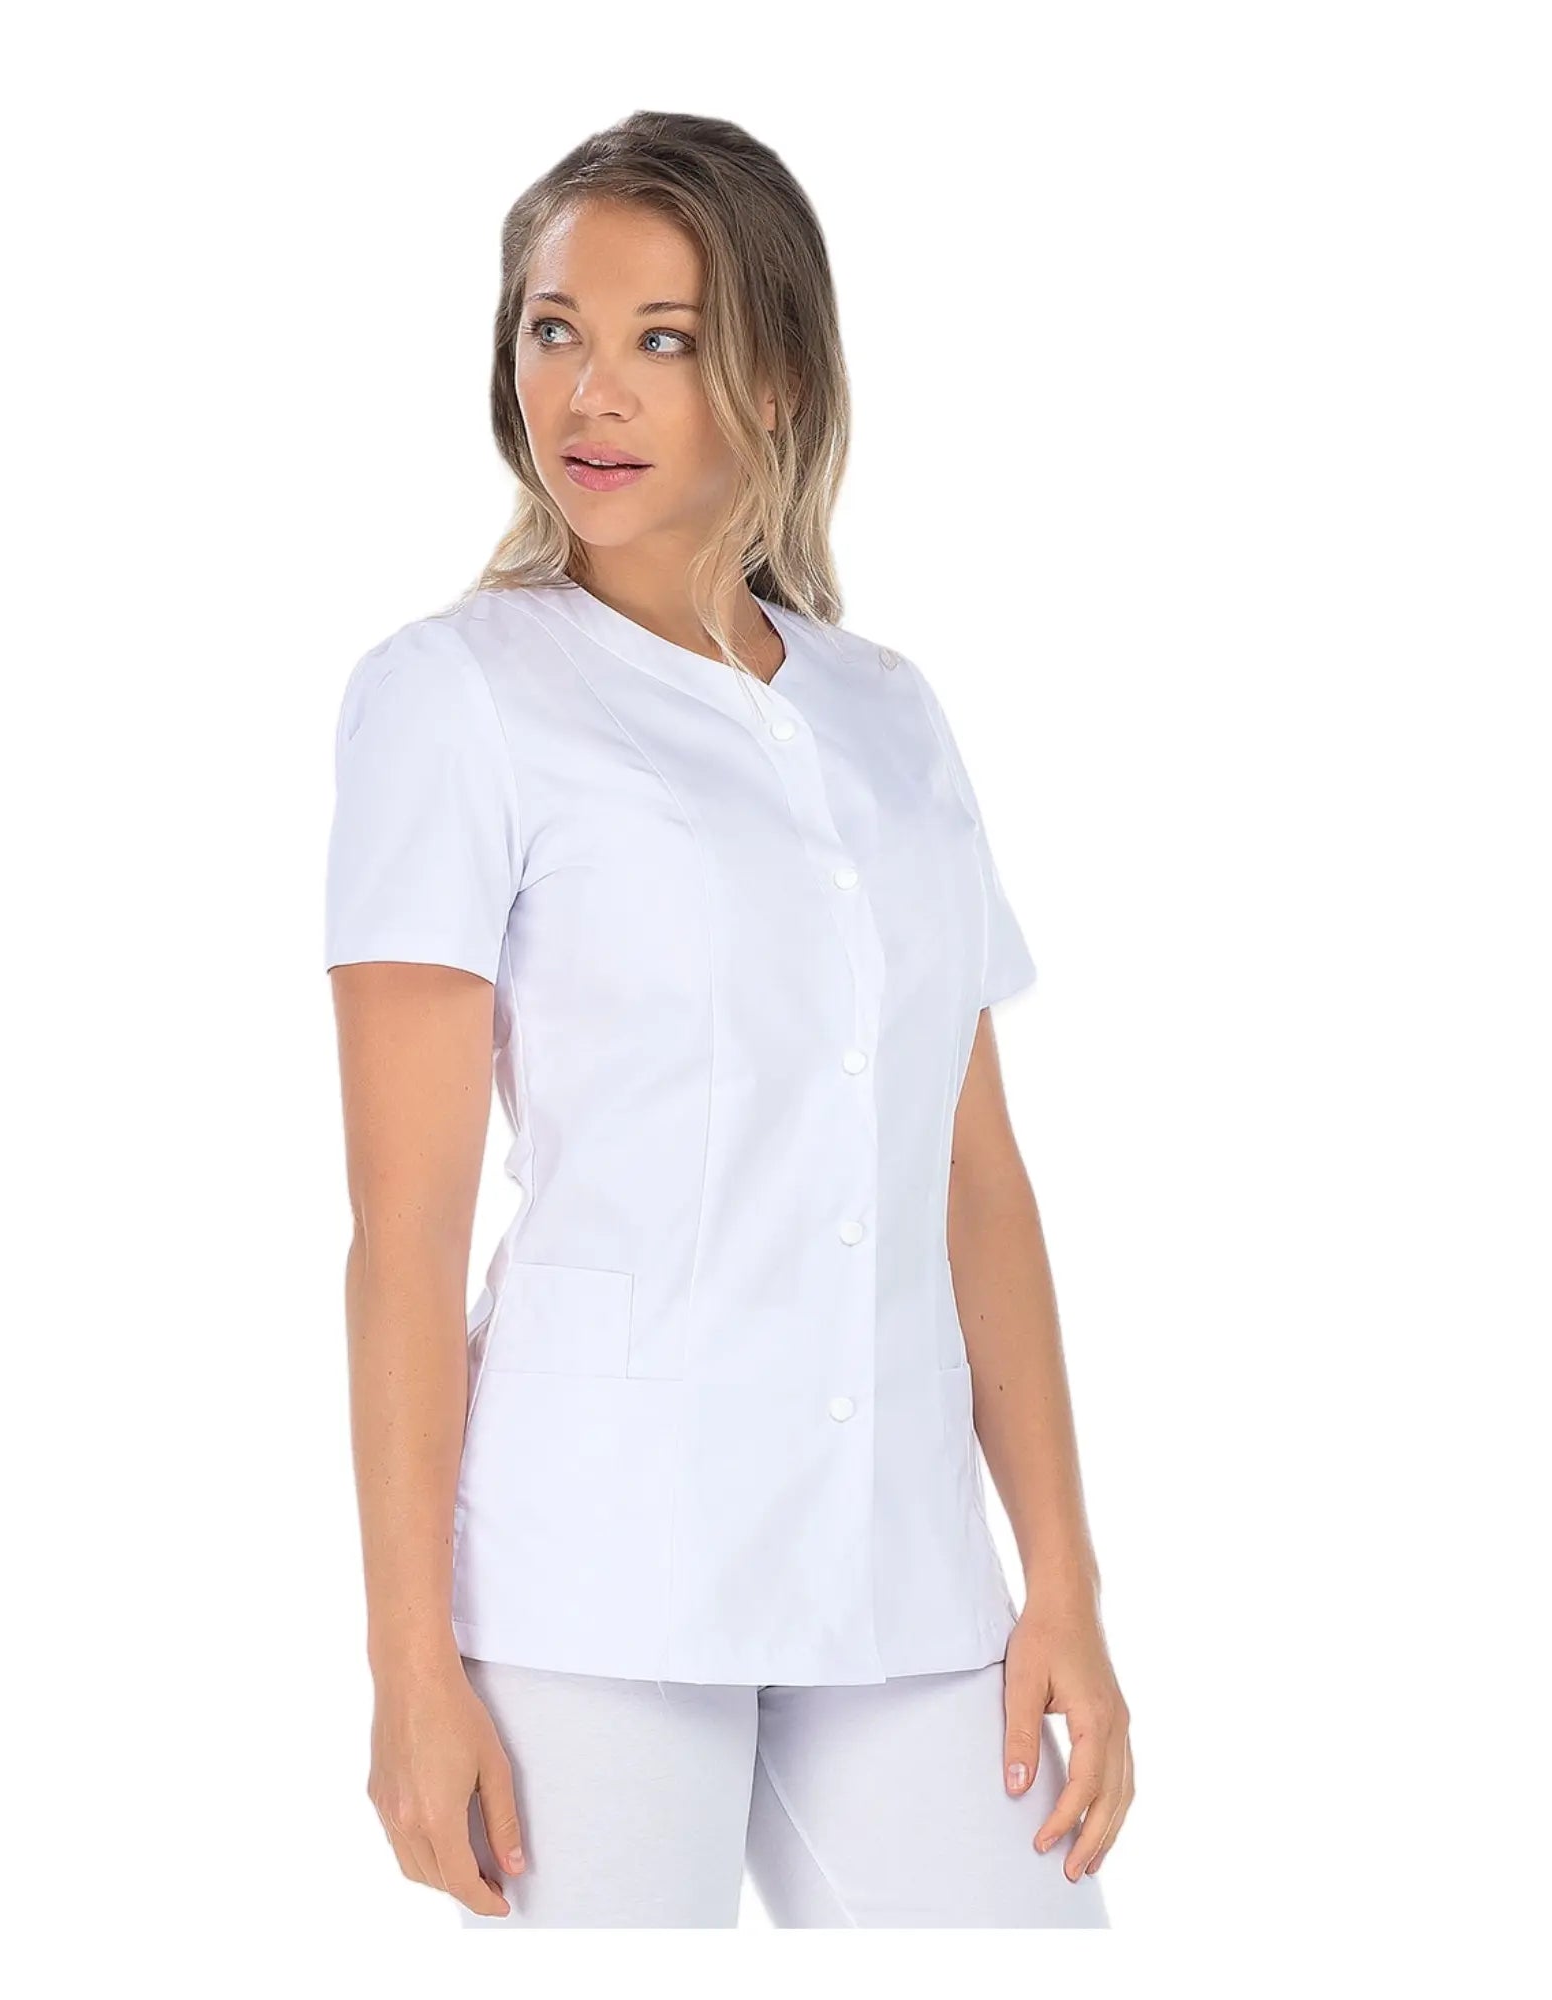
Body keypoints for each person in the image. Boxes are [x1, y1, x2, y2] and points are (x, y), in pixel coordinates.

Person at [325, 110, 1131, 1929]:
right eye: (553, 329)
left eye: (662, 339)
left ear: (774, 379)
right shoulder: (455, 699)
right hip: (595, 1574)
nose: (589, 391)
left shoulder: (889, 715)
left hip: (899, 1571)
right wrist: (407, 1664)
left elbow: (973, 1180)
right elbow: (405, 1229)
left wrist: (1062, 1583)